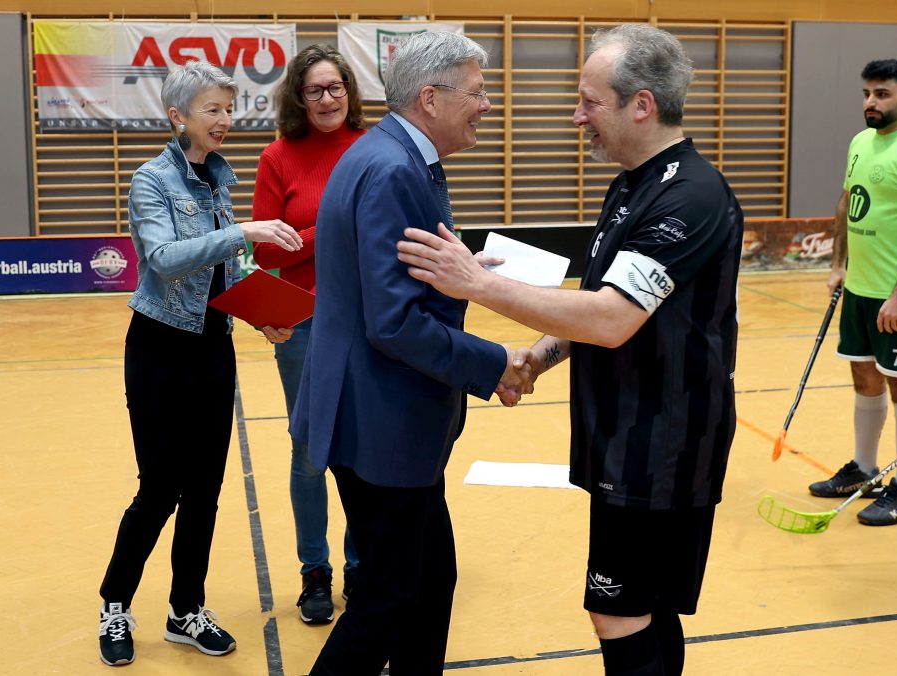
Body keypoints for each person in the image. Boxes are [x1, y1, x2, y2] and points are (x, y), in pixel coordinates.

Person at [397, 24, 741, 676]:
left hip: (658, 445)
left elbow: (612, 319)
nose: (576, 115)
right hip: (631, 436)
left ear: (642, 104)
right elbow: (599, 298)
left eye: (589, 102)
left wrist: (475, 282)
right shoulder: (634, 183)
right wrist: (539, 357)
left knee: (618, 611)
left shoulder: (690, 195)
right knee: (647, 606)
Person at [289, 31, 532, 675]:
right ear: (432, 97)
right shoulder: (395, 169)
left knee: (428, 583)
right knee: (390, 599)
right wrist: (492, 362)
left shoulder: (385, 152)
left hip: (379, 418)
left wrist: (456, 276)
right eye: (477, 93)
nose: (487, 105)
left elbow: (383, 284)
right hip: (383, 422)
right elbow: (392, 323)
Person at [97, 61, 303, 667]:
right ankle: (115, 604)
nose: (225, 120)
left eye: (229, 109)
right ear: (177, 116)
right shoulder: (150, 180)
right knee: (161, 488)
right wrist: (244, 231)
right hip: (159, 350)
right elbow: (163, 259)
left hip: (213, 346)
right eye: (213, 109)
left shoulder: (218, 181)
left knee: (207, 490)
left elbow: (223, 276)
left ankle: (186, 610)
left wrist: (257, 312)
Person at [805, 59, 897, 526]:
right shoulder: (860, 142)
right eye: (867, 93)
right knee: (864, 380)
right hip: (860, 290)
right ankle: (864, 470)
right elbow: (849, 203)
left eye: (882, 93)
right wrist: (838, 263)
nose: (871, 102)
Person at [252, 44, 366, 625]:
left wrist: (315, 233)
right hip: (301, 321)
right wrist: (337, 227)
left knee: (362, 445)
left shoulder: (373, 148)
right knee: (308, 450)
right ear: (299, 98)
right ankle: (314, 570)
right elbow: (267, 246)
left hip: (369, 319)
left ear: (350, 90)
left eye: (336, 88)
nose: (327, 99)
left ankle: (359, 565)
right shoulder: (278, 156)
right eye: (315, 90)